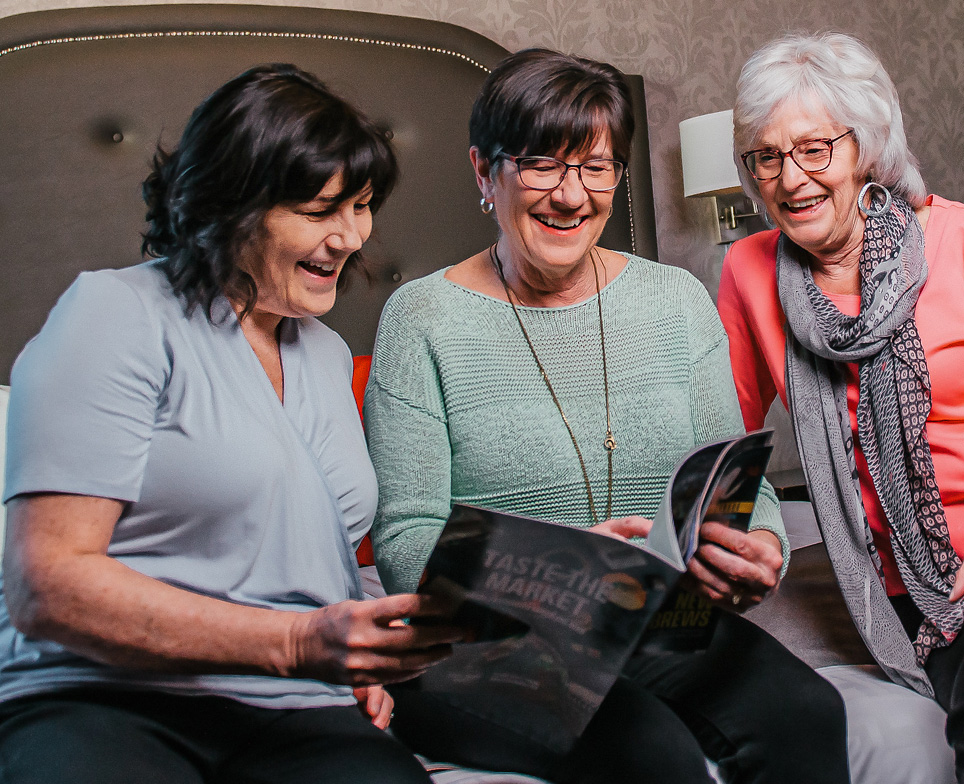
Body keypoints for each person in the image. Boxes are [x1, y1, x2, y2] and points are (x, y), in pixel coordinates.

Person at [365, 48, 850, 784]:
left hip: (652, 616)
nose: (571, 195)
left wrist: (756, 553)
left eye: (596, 167)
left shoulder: (675, 300)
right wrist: (560, 570)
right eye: (541, 164)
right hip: (486, 643)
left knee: (810, 713)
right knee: (651, 755)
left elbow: (739, 493)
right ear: (482, 172)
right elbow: (405, 543)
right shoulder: (422, 318)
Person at [0, 63, 460, 784]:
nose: (349, 238)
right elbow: (46, 586)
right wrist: (298, 641)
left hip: (298, 710)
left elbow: (309, 559)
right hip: (103, 696)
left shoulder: (327, 354)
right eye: (318, 211)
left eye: (363, 205)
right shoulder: (114, 314)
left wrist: (356, 653)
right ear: (230, 206)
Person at [718, 31, 964, 777]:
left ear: (868, 147)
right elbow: (723, 440)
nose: (790, 179)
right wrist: (723, 542)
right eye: (766, 156)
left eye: (815, 149)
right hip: (883, 580)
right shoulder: (748, 269)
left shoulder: (957, 241)